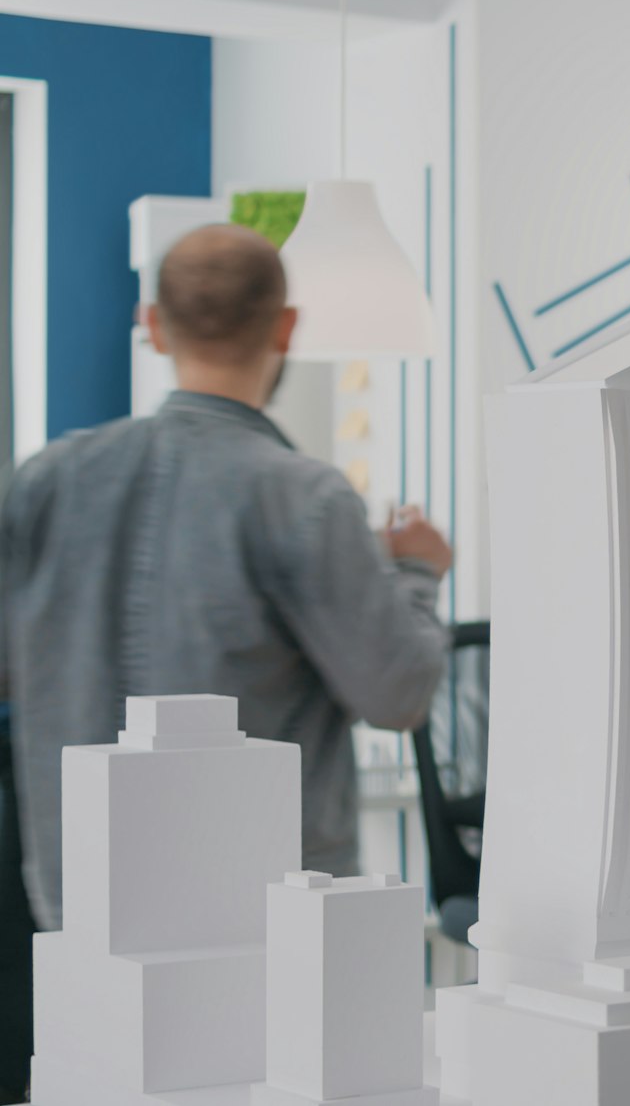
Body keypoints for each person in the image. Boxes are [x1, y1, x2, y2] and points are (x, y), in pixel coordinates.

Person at [0, 223, 453, 940]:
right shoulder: (304, 497)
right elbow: (397, 691)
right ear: (287, 327)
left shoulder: (46, 480)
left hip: (76, 900)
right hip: (260, 917)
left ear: (152, 325)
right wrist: (417, 570)